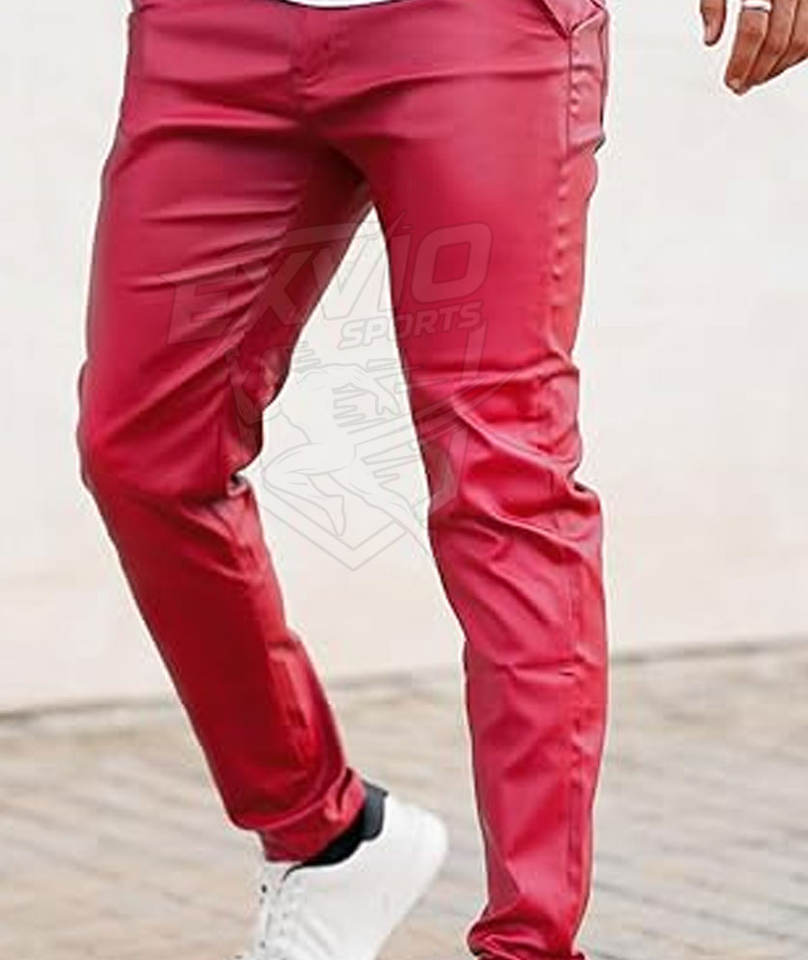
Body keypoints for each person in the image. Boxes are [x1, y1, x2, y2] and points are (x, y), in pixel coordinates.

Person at [75, 0, 805, 957]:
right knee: (142, 452)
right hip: (216, 31)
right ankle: (327, 839)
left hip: (475, 28)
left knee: (503, 478)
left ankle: (530, 945)